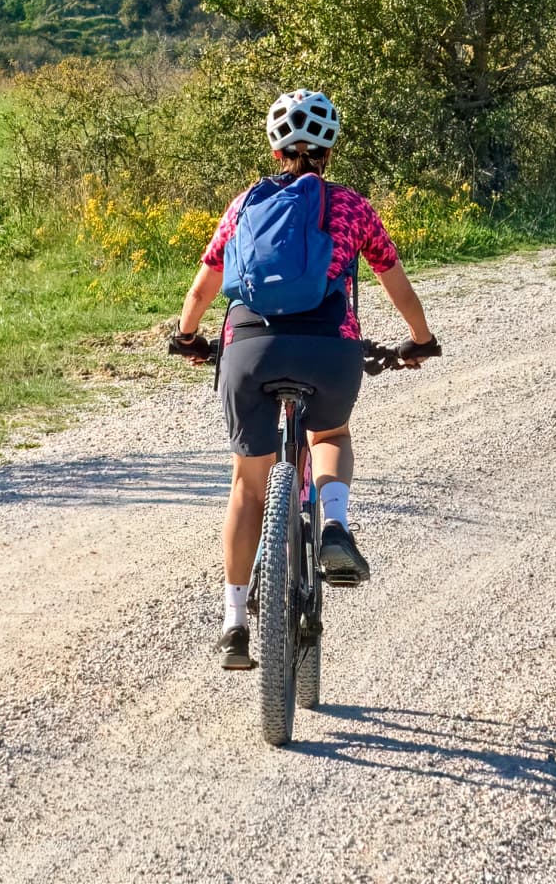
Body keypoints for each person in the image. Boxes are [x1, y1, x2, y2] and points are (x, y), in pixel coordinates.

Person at [166, 87, 438, 672]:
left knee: (248, 485)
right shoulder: (352, 207)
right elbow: (397, 283)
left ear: (275, 150)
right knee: (330, 436)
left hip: (249, 350)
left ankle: (235, 623)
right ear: (330, 150)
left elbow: (201, 289)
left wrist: (189, 337)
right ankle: (335, 523)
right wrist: (420, 341)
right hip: (329, 348)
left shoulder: (244, 206)